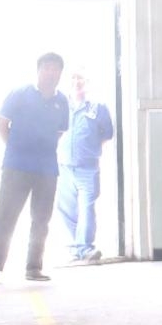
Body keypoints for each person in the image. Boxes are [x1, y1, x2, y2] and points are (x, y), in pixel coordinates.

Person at [0, 52, 69, 284]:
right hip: (16, 167)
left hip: (47, 169)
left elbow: (60, 132)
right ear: (38, 70)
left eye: (55, 69)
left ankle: (34, 268)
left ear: (60, 73)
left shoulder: (62, 102)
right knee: (5, 216)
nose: (51, 73)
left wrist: (42, 151)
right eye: (47, 68)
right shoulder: (20, 94)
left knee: (41, 220)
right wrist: (15, 148)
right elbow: (1, 124)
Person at [55, 70, 115, 264]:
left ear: (87, 82)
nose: (76, 82)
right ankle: (76, 248)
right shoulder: (60, 106)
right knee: (66, 209)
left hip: (88, 168)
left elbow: (107, 133)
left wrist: (90, 150)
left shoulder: (98, 108)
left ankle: (86, 247)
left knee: (87, 208)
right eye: (73, 79)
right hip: (63, 167)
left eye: (80, 79)